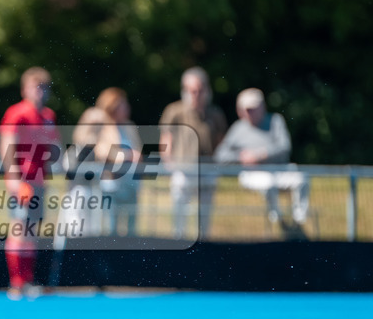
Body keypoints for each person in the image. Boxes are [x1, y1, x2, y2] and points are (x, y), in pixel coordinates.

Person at [0, 67, 62, 300]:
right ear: (25, 89)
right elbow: (7, 144)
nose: (41, 92)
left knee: (32, 231)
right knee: (19, 228)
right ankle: (16, 284)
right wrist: (13, 177)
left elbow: (54, 148)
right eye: (36, 86)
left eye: (44, 87)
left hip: (40, 182)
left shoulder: (49, 116)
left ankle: (27, 281)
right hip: (22, 181)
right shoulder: (17, 113)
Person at [215, 87, 308, 232]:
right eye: (247, 109)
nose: (250, 113)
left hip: (279, 170)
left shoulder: (275, 121)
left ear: (262, 107)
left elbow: (284, 147)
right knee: (267, 183)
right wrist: (242, 158)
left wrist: (260, 155)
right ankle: (277, 220)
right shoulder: (238, 128)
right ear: (240, 111)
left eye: (253, 108)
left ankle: (299, 219)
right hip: (254, 174)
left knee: (301, 178)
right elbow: (220, 155)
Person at [158, 67, 227, 239]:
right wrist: (168, 163)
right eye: (192, 90)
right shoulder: (174, 111)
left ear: (207, 90)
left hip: (207, 170)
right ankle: (178, 241)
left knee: (204, 214)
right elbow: (166, 139)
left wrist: (219, 165)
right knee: (179, 213)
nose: (196, 94)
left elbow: (221, 141)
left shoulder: (215, 113)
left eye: (199, 90)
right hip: (182, 170)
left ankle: (204, 243)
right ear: (185, 90)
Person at [93, 87, 142, 236]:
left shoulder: (130, 127)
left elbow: (138, 152)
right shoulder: (103, 127)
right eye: (123, 104)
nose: (127, 108)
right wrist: (126, 156)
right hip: (111, 186)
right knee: (111, 229)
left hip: (130, 184)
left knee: (131, 229)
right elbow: (101, 151)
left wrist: (134, 156)